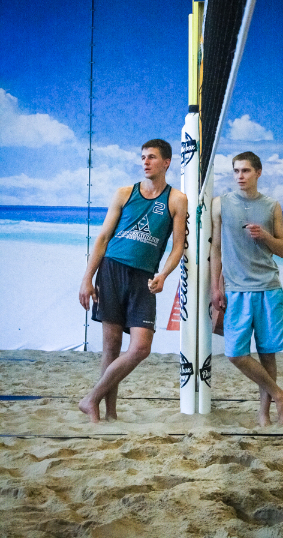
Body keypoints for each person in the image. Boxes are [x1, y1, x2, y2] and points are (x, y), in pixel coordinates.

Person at [78, 139, 187, 423]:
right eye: (143, 157)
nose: (145, 162)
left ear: (166, 162)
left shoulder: (176, 199)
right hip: (112, 270)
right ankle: (108, 414)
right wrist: (87, 278)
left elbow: (178, 246)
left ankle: (90, 398)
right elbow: (103, 238)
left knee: (140, 348)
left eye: (152, 157)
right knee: (111, 347)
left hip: (145, 277)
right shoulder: (125, 193)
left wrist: (164, 274)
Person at [210, 151, 283, 426]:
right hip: (236, 290)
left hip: (268, 287)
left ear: (258, 172)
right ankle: (280, 395)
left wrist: (264, 235)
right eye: (236, 171)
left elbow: (282, 249)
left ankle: (265, 414)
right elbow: (216, 248)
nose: (240, 176)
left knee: (267, 353)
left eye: (245, 171)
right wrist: (216, 287)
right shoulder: (220, 204)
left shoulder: (272, 206)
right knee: (236, 354)